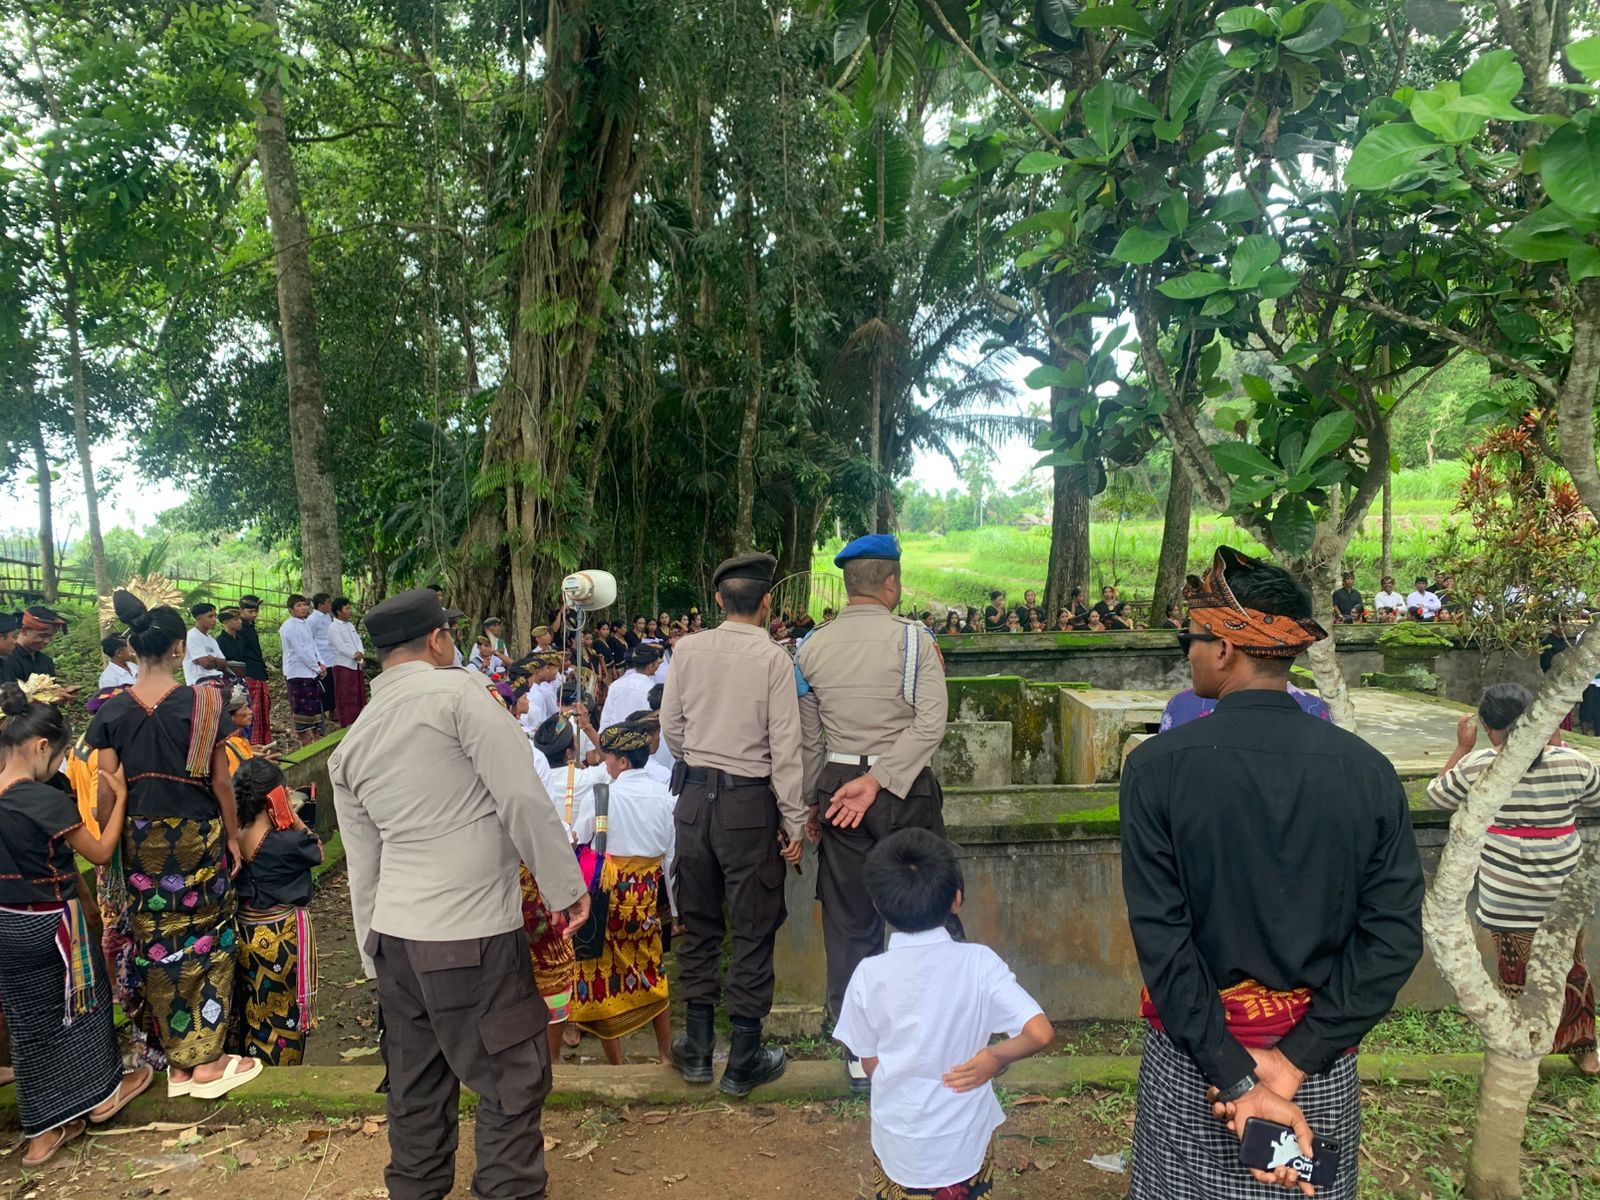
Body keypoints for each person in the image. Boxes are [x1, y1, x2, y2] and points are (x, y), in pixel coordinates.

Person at [1121, 546, 1424, 1199]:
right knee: (1303, 1189)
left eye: (1191, 637)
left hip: (1196, 1069)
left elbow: (1162, 942)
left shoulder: (1156, 769)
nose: (1188, 652)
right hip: (1315, 1069)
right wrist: (1290, 1064)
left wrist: (1236, 1076)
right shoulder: (1368, 773)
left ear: (1225, 647)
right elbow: (1394, 940)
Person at [330, 587, 587, 1200]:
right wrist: (564, 887)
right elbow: (521, 796)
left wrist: (373, 958)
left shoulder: (354, 740)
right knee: (513, 1077)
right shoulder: (461, 696)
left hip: (396, 939)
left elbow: (365, 868)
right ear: (437, 640)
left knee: (416, 1089)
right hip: (472, 933)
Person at [87, 589, 263, 1101]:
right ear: (178, 647)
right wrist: (232, 835)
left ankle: (177, 1064)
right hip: (195, 836)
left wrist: (114, 850)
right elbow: (220, 781)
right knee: (207, 938)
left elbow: (104, 793)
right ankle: (206, 1060)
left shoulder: (111, 710)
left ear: (133, 648)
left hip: (139, 842)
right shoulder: (203, 703)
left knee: (155, 943)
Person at [796, 534, 949, 1093]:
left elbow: (808, 740)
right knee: (925, 915)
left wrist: (814, 800)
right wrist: (880, 780)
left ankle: (861, 1055)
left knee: (849, 922)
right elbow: (930, 725)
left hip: (840, 789)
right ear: (891, 583)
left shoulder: (810, 647)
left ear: (848, 585)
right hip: (904, 790)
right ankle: (932, 1041)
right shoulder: (915, 641)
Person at [834, 829, 1054, 1200]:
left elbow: (869, 1062)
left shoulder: (869, 975)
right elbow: (1040, 1032)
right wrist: (994, 1058)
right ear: (957, 899)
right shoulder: (980, 964)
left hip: (899, 1139)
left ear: (877, 905)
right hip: (964, 1139)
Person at [660, 552, 805, 1096]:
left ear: (719, 599)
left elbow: (671, 727)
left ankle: (698, 1050)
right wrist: (792, 821)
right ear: (767, 602)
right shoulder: (774, 659)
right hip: (748, 805)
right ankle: (743, 1057)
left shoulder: (687, 649)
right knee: (752, 925)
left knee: (698, 923)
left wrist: (699, 760)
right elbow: (785, 747)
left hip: (694, 801)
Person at [0, 682, 155, 1166]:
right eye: (59, 756)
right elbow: (101, 853)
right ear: (41, 746)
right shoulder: (42, 801)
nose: (59, 767)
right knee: (83, 1003)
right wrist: (121, 799)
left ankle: (43, 1133)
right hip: (52, 921)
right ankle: (105, 1094)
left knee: (28, 1021)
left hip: (6, 921)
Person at [1427, 684, 1600, 1073]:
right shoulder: (1573, 764)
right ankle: (1585, 1050)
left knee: (1514, 973)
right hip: (1563, 894)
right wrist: (1558, 746)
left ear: (1487, 728)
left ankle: (1523, 1051)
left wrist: (1461, 748)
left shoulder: (1480, 766)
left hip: (1506, 896)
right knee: (1572, 967)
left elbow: (1436, 796)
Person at [568, 722, 677, 1066]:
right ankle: (665, 1054)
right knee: (653, 970)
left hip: (607, 897)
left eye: (608, 757)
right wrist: (676, 912)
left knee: (601, 977)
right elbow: (672, 858)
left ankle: (617, 1064)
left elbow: (579, 838)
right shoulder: (665, 796)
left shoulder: (603, 796)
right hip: (646, 898)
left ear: (623, 762)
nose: (605, 762)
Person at [228, 757, 323, 1066]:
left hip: (244, 934)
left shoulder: (232, 839)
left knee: (253, 1007)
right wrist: (291, 817)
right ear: (275, 797)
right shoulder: (286, 842)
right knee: (284, 1016)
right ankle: (281, 1071)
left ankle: (251, 1064)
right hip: (281, 938)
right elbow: (317, 849)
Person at [280, 595, 327, 746]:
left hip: (311, 671)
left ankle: (316, 735)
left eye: (305, 605)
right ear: (291, 609)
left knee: (314, 705)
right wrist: (316, 667)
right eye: (299, 605)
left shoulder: (305, 624)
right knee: (301, 707)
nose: (303, 608)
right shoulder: (288, 627)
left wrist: (321, 663)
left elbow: (313, 645)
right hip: (297, 672)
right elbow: (300, 652)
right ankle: (303, 738)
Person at [230, 597, 273, 748]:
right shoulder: (240, 629)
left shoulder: (250, 626)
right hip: (249, 673)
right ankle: (252, 744)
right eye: (250, 611)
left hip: (258, 672)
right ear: (241, 611)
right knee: (252, 710)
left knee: (262, 709)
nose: (254, 614)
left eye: (256, 611)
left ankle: (262, 743)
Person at [4, 606, 74, 696]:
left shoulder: (46, 661)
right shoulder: (6, 661)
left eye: (50, 637)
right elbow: (6, 698)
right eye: (43, 636)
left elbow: (50, 691)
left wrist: (60, 695)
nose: (47, 641)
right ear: (25, 630)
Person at [600, 643, 661, 731]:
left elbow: (606, 717)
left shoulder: (616, 684)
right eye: (657, 663)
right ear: (650, 666)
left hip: (615, 735)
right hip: (640, 736)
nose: (658, 666)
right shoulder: (653, 689)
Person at [328, 597, 367, 728]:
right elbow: (340, 646)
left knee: (358, 694)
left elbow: (357, 641)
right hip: (343, 665)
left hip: (356, 664)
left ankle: (360, 722)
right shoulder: (333, 627)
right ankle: (347, 723)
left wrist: (361, 654)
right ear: (339, 611)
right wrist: (354, 655)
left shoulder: (350, 625)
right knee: (346, 695)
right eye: (347, 608)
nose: (350, 611)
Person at [307, 594, 337, 719]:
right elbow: (309, 638)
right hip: (321, 656)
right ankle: (323, 712)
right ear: (320, 605)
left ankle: (332, 710)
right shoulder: (313, 619)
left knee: (332, 685)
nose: (330, 605)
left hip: (331, 655)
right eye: (328, 602)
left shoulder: (328, 616)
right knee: (324, 686)